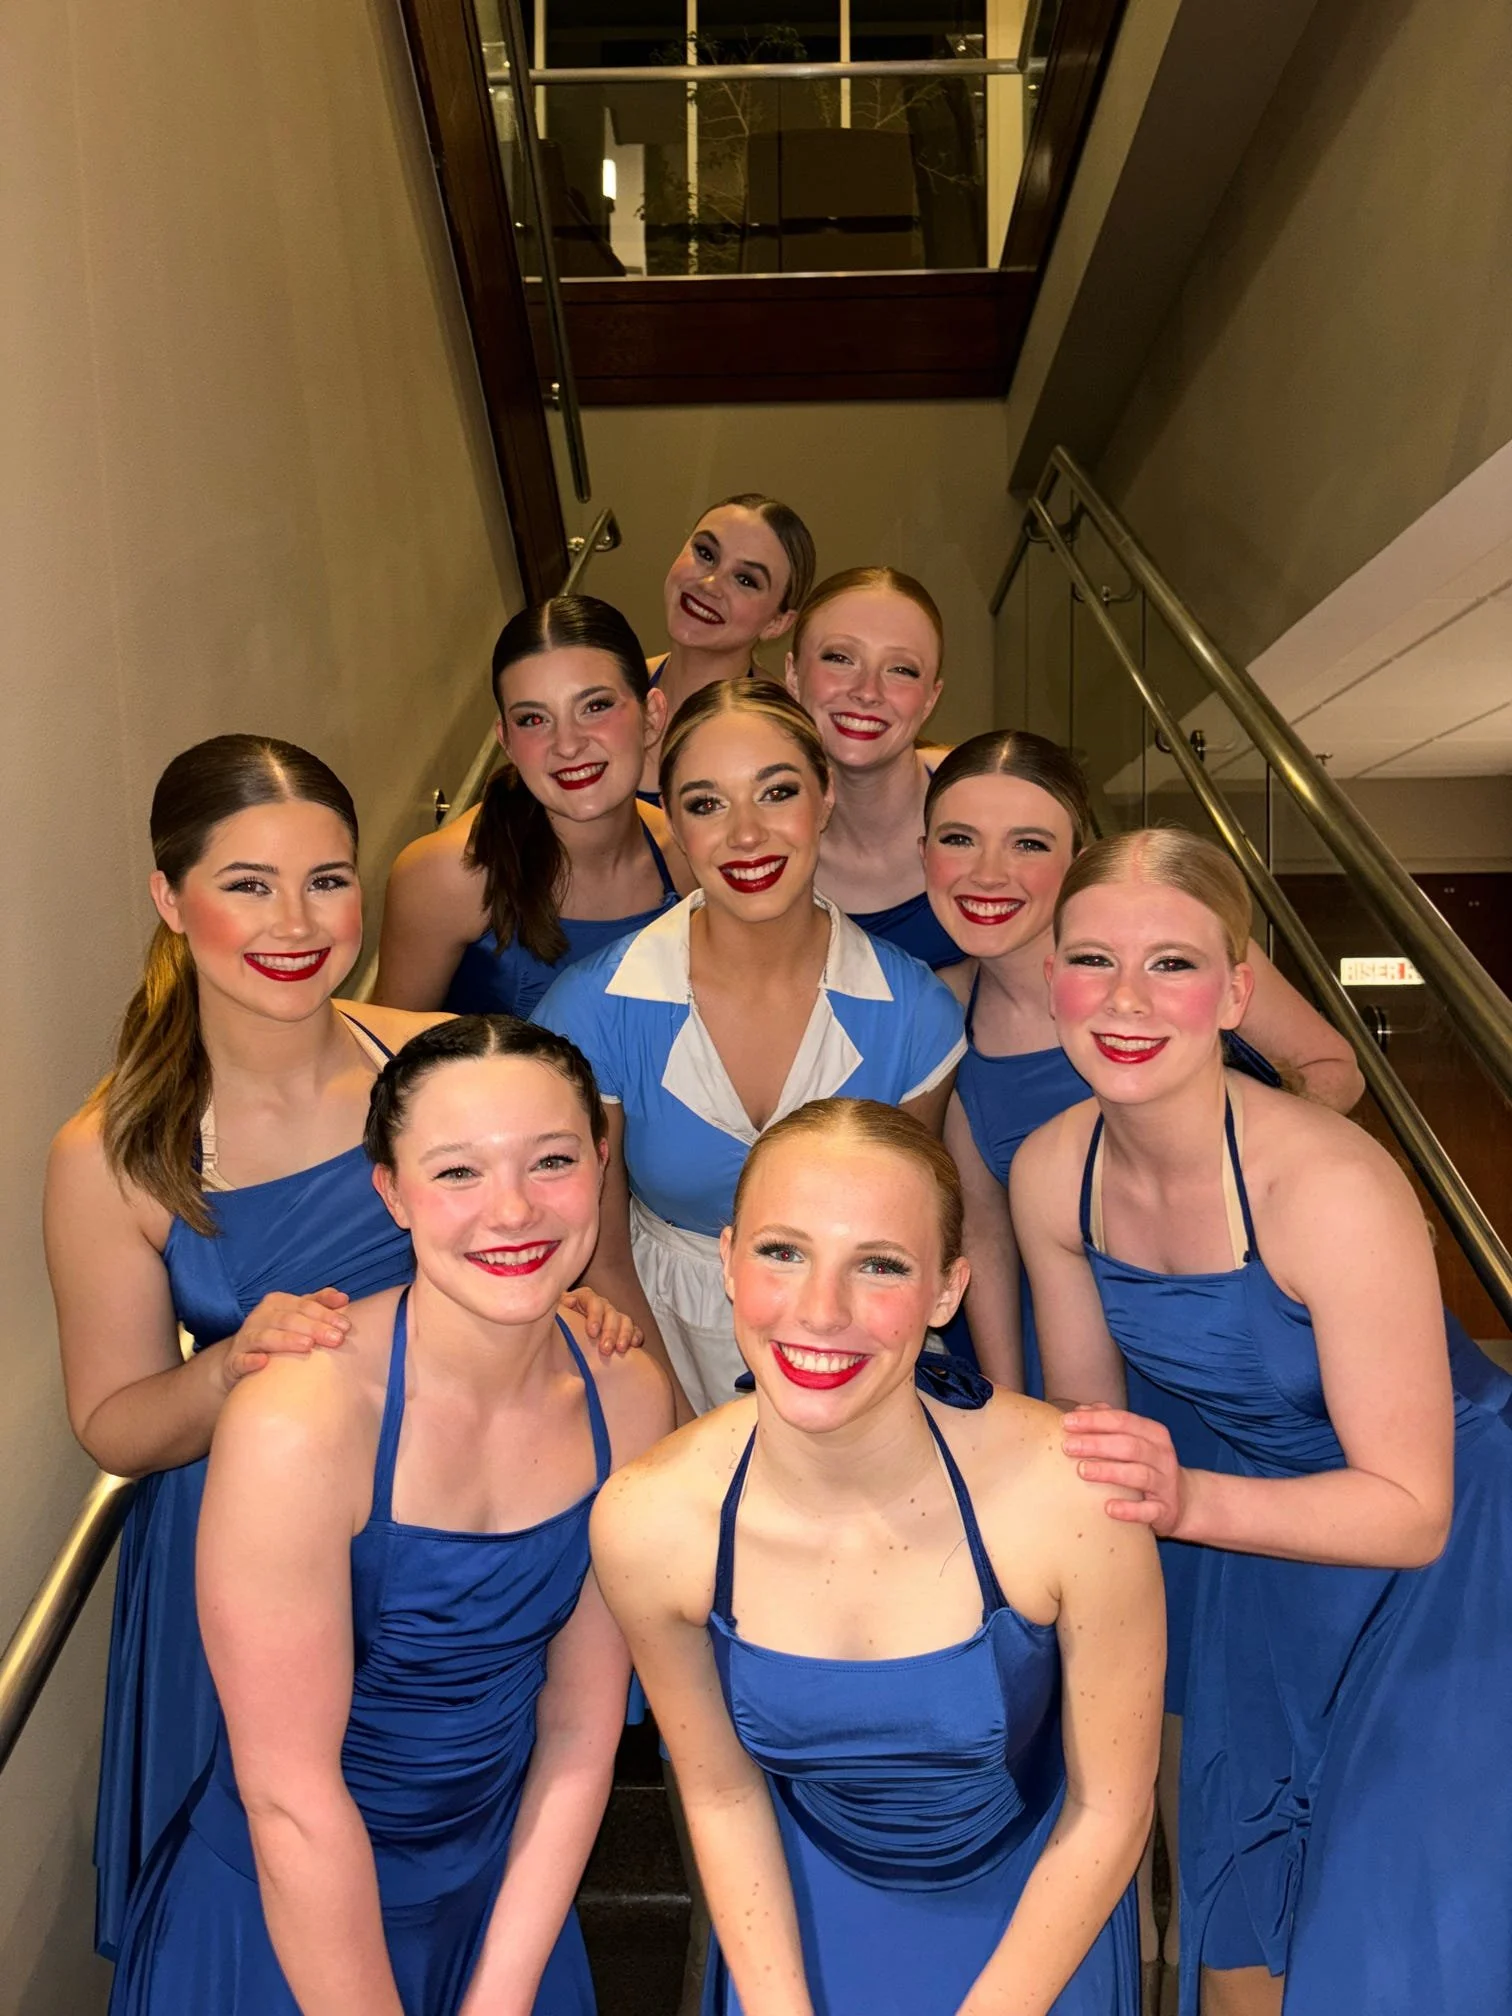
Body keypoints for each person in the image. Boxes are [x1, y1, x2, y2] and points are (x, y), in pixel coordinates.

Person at [44, 736, 635, 1957]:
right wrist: (228, 1368)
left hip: (454, 1532)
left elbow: (565, 1241)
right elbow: (111, 1423)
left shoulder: (436, 1062)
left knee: (463, 1854)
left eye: (325, 880)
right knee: (270, 1871)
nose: (295, 922)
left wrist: (585, 1315)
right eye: (247, 884)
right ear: (170, 899)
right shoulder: (114, 1152)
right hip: (246, 1543)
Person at [1012, 829, 1512, 2016]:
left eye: (1174, 965)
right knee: (1242, 1931)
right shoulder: (1051, 1172)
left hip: (1441, 1548)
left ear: (1237, 993)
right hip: (1257, 1544)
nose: (1128, 1000)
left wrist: (1186, 1499)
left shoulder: (1329, 1186)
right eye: (1094, 960)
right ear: (1052, 979)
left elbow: (1412, 1511)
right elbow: (1087, 1424)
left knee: (1391, 1929)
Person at [108, 1016, 673, 2014]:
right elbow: (289, 1797)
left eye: (551, 1161)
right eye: (457, 1172)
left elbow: (581, 1730)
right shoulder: (301, 1419)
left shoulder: (627, 1395)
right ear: (392, 1193)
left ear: (601, 1163)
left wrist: (502, 1990)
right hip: (288, 1929)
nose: (513, 1211)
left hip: (504, 1913)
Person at [592, 1098, 1162, 2016]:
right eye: (783, 1252)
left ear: (947, 1291)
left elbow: (1110, 1809)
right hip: (794, 1933)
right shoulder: (652, 1521)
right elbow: (723, 1796)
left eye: (881, 1265)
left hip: (1038, 1937)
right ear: (728, 1261)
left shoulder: (1073, 1494)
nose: (821, 1311)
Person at [535, 680, 967, 1420]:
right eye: (706, 804)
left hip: (855, 1347)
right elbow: (598, 1252)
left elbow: (907, 1240)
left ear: (825, 795)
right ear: (673, 824)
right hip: (647, 1339)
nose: (745, 834)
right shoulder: (592, 1009)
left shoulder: (915, 1017)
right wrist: (673, 1419)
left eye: (776, 793)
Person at [922, 733, 1364, 1391]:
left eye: (1029, 844)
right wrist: (1005, 1397)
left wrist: (1236, 1190)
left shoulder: (1182, 949)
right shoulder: (942, 1005)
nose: (989, 874)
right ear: (923, 854)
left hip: (1248, 1319)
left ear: (1078, 862)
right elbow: (985, 1229)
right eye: (959, 839)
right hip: (1073, 1343)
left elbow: (1333, 1068)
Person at [374, 596, 686, 1016]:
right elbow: (385, 1047)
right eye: (533, 720)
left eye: (595, 706)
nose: (568, 745)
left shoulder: (687, 854)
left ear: (652, 716)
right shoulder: (445, 875)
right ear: (506, 740)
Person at [784, 566, 960, 969]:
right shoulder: (751, 832)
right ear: (793, 675)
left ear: (931, 699)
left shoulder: (992, 802)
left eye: (901, 669)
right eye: (840, 658)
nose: (867, 691)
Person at [639, 494, 816, 802]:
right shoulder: (614, 691)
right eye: (705, 553)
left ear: (777, 623)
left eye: (745, 580)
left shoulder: (783, 733)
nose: (709, 584)